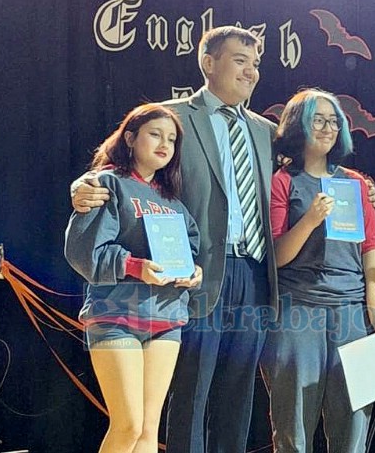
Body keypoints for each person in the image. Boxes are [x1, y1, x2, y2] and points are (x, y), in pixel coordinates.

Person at [71, 26, 279, 453]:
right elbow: (123, 172)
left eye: (255, 64)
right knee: (189, 393)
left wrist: (365, 187)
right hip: (191, 274)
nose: (250, 71)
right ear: (208, 62)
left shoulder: (265, 130)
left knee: (238, 397)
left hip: (254, 272)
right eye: (240, 60)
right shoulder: (172, 116)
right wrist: (80, 188)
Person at [260, 89, 375, 452]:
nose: (327, 127)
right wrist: (310, 219)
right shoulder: (281, 181)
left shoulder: (354, 182)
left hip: (351, 312)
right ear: (298, 124)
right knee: (292, 424)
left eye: (334, 121)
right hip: (297, 311)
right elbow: (277, 256)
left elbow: (370, 248)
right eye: (318, 119)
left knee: (353, 423)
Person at [64, 103, 203, 453]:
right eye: (155, 134)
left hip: (167, 318)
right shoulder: (106, 184)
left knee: (147, 432)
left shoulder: (173, 202)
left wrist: (193, 274)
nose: (164, 144)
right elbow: (84, 251)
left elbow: (190, 253)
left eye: (171, 139)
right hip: (116, 314)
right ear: (130, 137)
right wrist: (134, 266)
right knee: (128, 425)